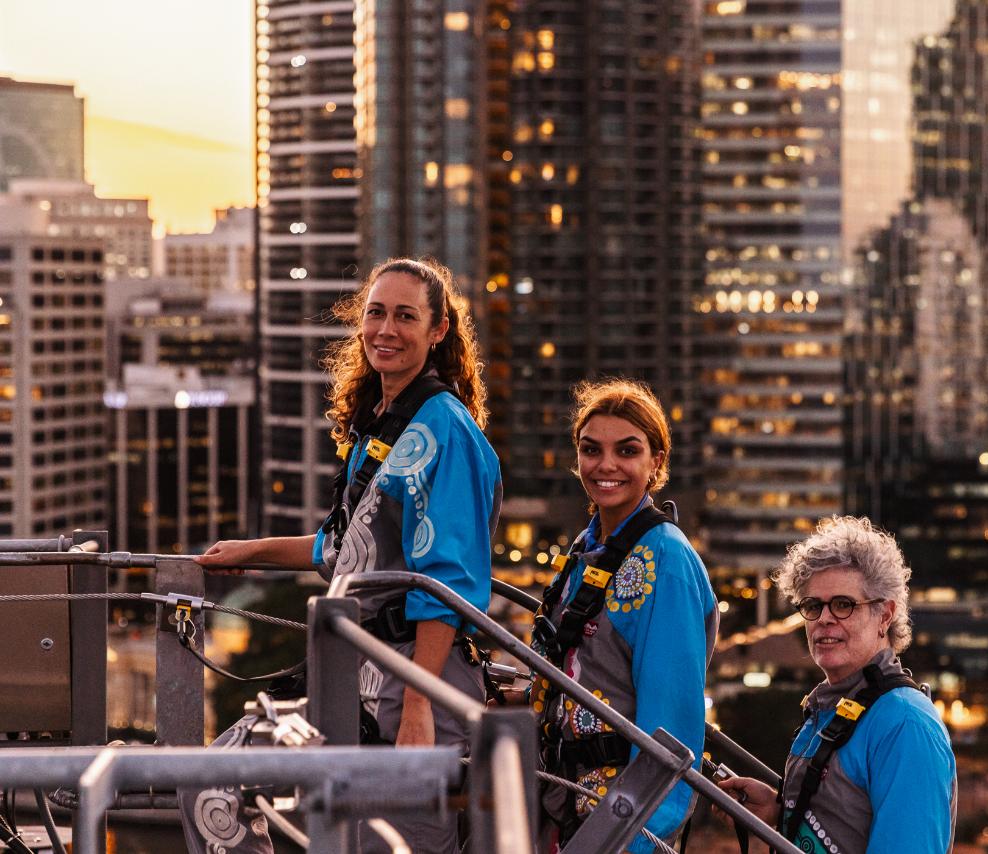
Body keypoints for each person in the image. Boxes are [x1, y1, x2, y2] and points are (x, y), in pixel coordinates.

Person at [179, 257, 501, 854]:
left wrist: (416, 706)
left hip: (416, 678)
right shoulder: (383, 428)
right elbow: (341, 548)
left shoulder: (444, 430)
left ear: (438, 331)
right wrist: (251, 551)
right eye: (375, 313)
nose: (386, 329)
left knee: (400, 845)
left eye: (406, 316)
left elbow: (447, 583)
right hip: (359, 675)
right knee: (213, 784)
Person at [531, 379, 718, 853]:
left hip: (617, 828)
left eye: (627, 450)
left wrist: (634, 843)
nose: (606, 465)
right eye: (591, 450)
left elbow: (669, 734)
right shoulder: (587, 549)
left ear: (657, 461)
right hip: (560, 807)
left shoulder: (665, 563)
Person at [717, 516, 955, 854]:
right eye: (813, 606)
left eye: (844, 605)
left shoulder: (904, 723)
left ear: (885, 616)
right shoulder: (834, 706)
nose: (825, 618)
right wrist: (780, 809)